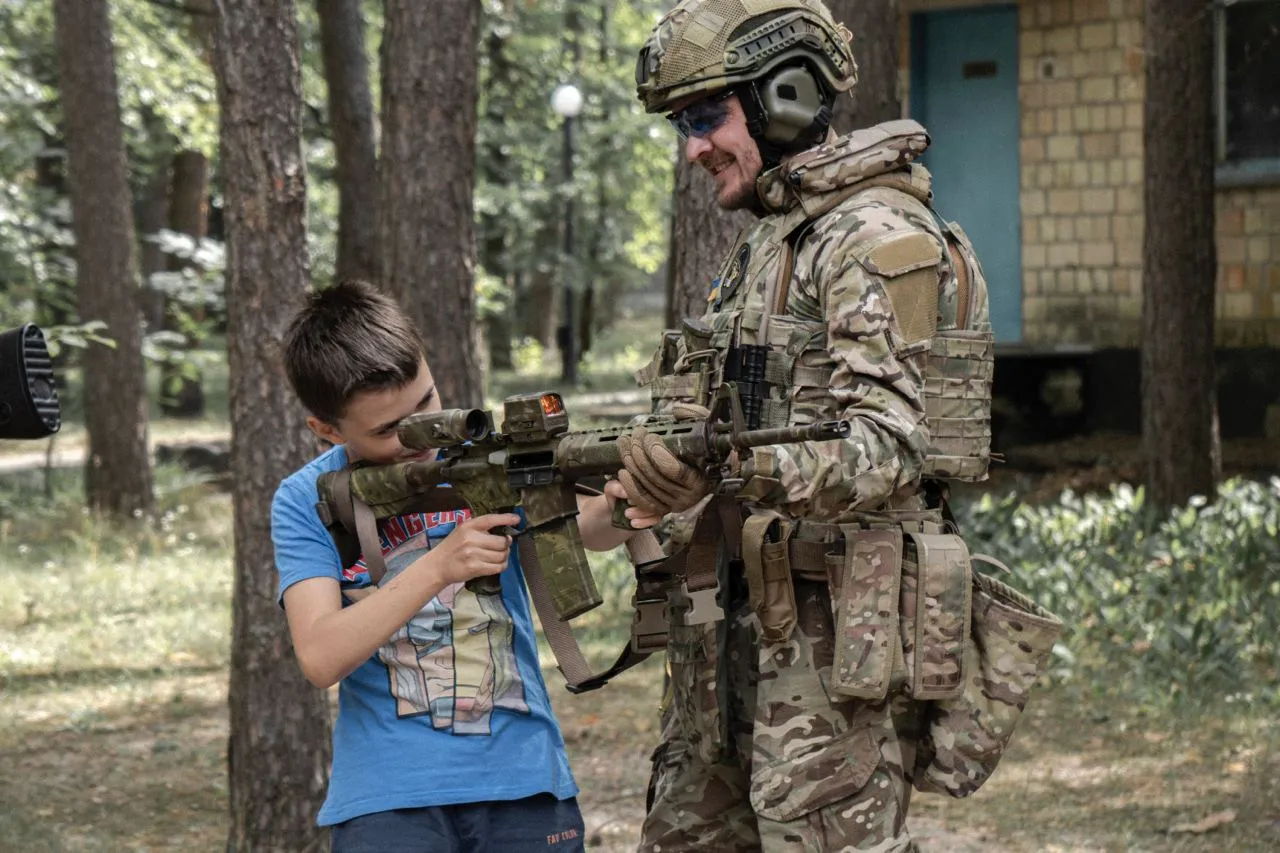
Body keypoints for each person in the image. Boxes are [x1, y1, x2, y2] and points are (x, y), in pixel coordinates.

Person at [618, 2, 1059, 851]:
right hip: (731, 638)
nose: (693, 147)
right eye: (682, 124)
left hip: (826, 662)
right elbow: (729, 410)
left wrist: (722, 469)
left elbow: (892, 445)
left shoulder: (870, 234)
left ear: (783, 94)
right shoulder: (773, 242)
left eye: (705, 117)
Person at [270, 280, 655, 852]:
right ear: (326, 429)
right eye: (387, 431)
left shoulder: (485, 459)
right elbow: (321, 655)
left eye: (425, 402)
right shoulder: (306, 499)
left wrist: (633, 504)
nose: (419, 435)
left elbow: (587, 525)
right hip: (389, 800)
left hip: (524, 782)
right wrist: (436, 569)